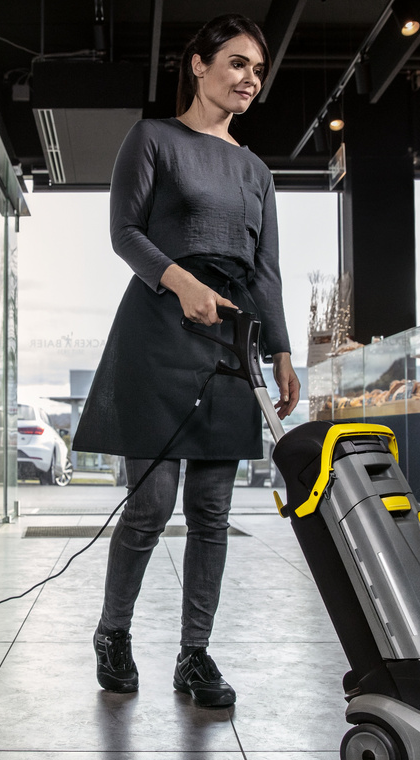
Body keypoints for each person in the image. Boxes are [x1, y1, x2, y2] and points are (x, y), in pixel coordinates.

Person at [72, 13, 300, 708]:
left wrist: (281, 349)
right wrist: (181, 282)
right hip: (158, 331)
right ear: (198, 65)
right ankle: (114, 632)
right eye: (236, 64)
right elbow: (124, 233)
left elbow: (266, 271)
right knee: (150, 504)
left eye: (257, 71)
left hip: (230, 340)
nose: (249, 80)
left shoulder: (256, 170)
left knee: (212, 507)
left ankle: (194, 655)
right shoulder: (154, 140)